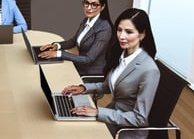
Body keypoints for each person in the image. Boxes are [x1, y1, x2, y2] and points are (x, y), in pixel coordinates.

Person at [62, 8, 160, 139]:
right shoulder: (122, 55)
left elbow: (139, 118)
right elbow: (108, 86)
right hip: (111, 120)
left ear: (142, 34)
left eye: (129, 32)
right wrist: (83, 88)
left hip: (126, 132)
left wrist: (98, 112)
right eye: (119, 30)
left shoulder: (149, 70)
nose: (121, 36)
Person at [38, 0, 112, 76]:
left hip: (90, 73)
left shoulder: (104, 28)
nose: (89, 8)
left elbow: (88, 59)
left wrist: (59, 53)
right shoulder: (86, 20)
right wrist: (57, 46)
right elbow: (74, 41)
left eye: (94, 5)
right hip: (79, 65)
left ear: (102, 7)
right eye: (86, 3)